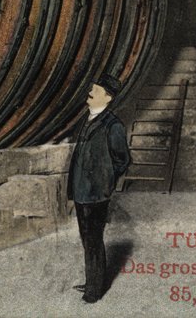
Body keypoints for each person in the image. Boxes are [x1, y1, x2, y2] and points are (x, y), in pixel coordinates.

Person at [67, 74, 131, 303]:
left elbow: (122, 160)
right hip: (82, 192)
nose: (89, 94)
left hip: (96, 195)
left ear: (108, 97)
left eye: (95, 91)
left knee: (93, 240)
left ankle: (95, 290)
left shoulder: (113, 125)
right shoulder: (89, 118)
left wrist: (105, 182)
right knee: (87, 240)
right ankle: (92, 281)